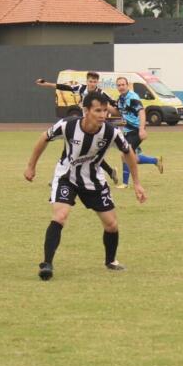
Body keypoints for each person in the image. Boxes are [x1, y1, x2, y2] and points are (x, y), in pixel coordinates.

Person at [23, 92, 146, 281]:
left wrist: (137, 183)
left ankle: (111, 261)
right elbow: (43, 138)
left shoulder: (111, 132)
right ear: (86, 111)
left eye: (105, 111)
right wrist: (31, 166)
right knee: (60, 216)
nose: (103, 115)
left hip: (94, 181)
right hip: (67, 177)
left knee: (111, 225)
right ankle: (47, 264)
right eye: (98, 110)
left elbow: (128, 152)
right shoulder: (68, 125)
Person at [36, 71, 119, 184]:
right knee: (79, 150)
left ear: (97, 82)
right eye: (90, 81)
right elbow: (64, 87)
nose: (92, 84)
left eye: (94, 82)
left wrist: (119, 108)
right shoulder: (81, 88)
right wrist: (46, 84)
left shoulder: (101, 93)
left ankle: (60, 177)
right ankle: (109, 171)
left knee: (81, 151)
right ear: (87, 81)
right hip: (82, 125)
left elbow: (114, 104)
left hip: (94, 127)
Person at [115, 76, 162, 188]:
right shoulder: (121, 98)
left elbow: (141, 112)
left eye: (123, 84)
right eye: (119, 85)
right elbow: (118, 112)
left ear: (127, 85)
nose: (121, 87)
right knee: (133, 158)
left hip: (136, 130)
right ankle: (155, 161)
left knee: (125, 154)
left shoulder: (133, 97)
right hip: (127, 131)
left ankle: (125, 183)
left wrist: (141, 129)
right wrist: (105, 106)